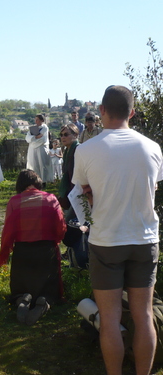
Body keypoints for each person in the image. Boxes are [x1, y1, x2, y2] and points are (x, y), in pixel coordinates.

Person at [72, 85, 163, 375]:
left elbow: (86, 192)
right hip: (144, 238)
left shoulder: (85, 150)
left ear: (101, 112)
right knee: (144, 314)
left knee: (110, 320)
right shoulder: (153, 148)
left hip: (106, 240)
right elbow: (153, 188)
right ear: (132, 113)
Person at [0, 170, 66, 326]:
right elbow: (61, 227)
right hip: (46, 251)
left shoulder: (14, 202)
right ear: (38, 183)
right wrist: (56, 239)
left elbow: (8, 230)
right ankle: (45, 302)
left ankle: (22, 299)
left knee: (20, 287)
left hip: (22, 252)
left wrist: (6, 251)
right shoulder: (51, 199)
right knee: (50, 289)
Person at [57, 123, 79, 215]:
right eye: (61, 135)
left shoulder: (78, 149)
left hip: (78, 192)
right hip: (69, 191)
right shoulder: (67, 151)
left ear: (75, 135)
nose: (63, 137)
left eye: (66, 134)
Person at [25, 114, 54, 183]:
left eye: (37, 119)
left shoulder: (45, 128)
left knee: (42, 165)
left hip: (41, 148)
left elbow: (43, 139)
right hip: (33, 149)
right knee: (34, 165)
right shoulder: (33, 129)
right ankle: (34, 180)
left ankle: (43, 181)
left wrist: (33, 141)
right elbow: (27, 138)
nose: (36, 121)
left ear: (42, 120)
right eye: (35, 119)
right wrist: (35, 137)